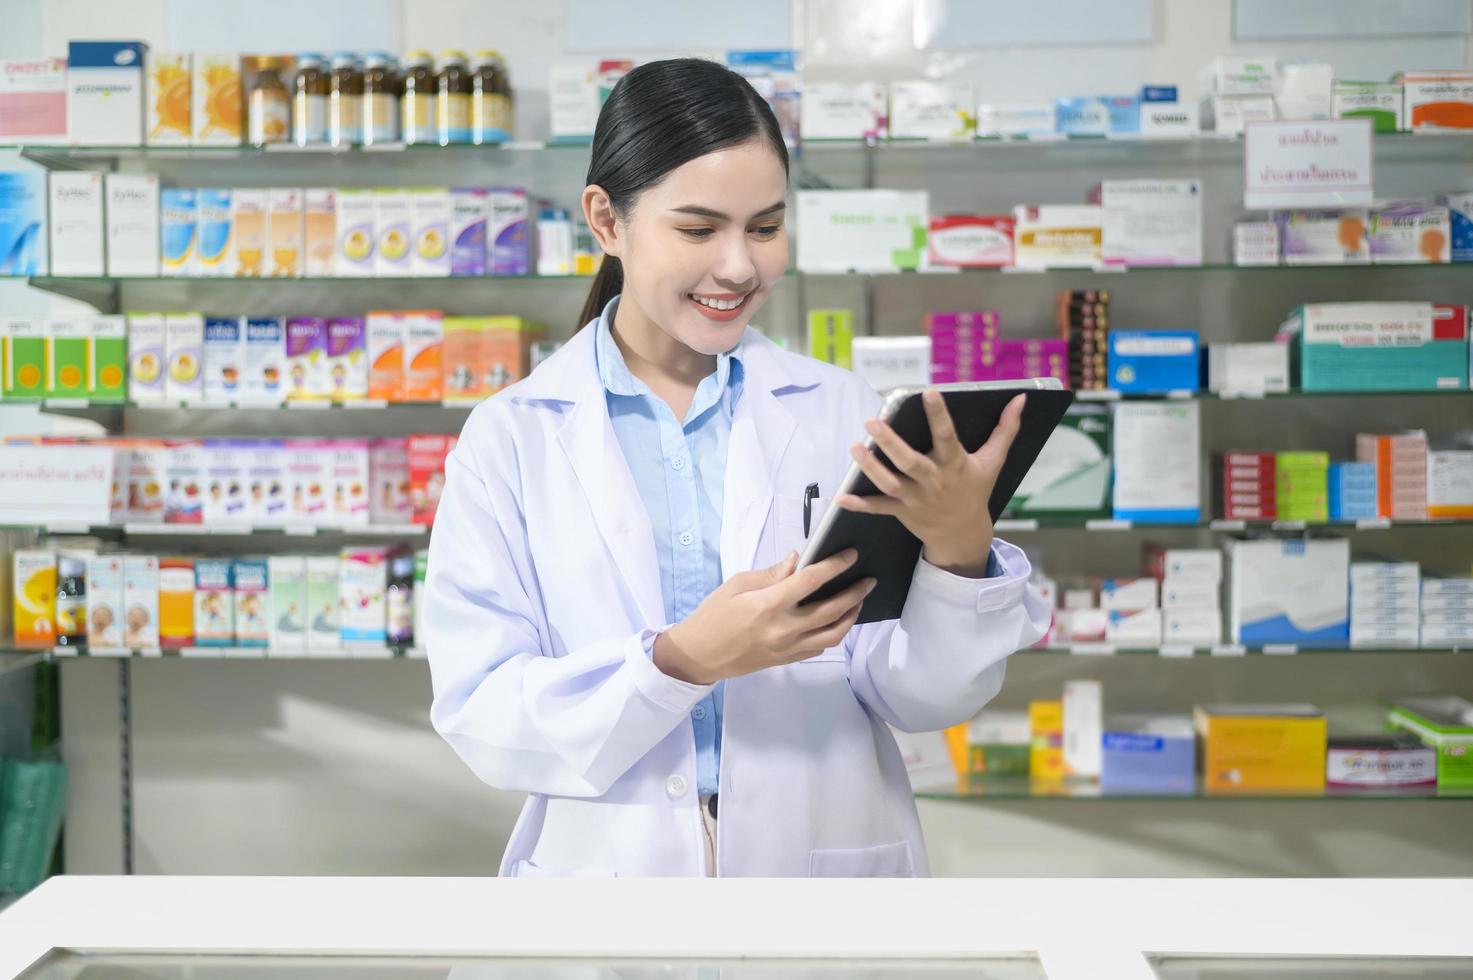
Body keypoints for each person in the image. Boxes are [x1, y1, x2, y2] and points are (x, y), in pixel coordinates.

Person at [425, 58, 1048, 878]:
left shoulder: (839, 412)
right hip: (608, 888)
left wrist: (958, 554)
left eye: (763, 227)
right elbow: (483, 716)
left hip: (819, 875)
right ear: (605, 221)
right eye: (697, 229)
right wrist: (681, 661)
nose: (738, 268)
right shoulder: (511, 438)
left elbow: (921, 698)